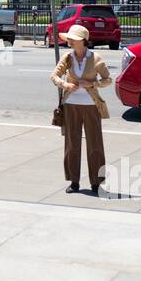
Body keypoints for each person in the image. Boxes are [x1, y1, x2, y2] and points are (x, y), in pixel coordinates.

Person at [49, 24, 113, 195]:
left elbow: (108, 80)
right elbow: (54, 75)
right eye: (69, 38)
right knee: (72, 144)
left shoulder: (96, 58)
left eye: (72, 39)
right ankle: (74, 181)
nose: (69, 41)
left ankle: (95, 183)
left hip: (91, 106)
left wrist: (93, 84)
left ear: (82, 41)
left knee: (95, 145)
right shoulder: (67, 57)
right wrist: (65, 84)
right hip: (71, 106)